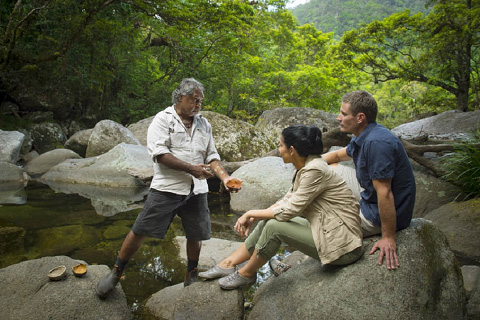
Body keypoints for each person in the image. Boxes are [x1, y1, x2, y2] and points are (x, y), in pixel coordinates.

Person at [96, 78, 240, 299]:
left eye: (201, 101)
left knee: (195, 234)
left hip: (197, 189)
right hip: (167, 187)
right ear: (180, 98)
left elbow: (212, 155)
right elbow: (160, 154)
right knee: (140, 229)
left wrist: (225, 178)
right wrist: (191, 169)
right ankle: (116, 272)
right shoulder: (162, 121)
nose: (199, 104)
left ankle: (190, 274)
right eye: (195, 100)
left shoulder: (204, 124)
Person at [198, 124, 364, 290]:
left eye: (281, 145)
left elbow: (289, 210)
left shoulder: (315, 170)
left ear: (292, 150)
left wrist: (250, 212)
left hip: (342, 247)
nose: (278, 149)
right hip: (327, 229)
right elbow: (288, 199)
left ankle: (247, 274)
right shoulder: (305, 167)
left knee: (274, 227)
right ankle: (228, 263)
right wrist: (257, 216)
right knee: (265, 223)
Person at [322, 90, 416, 270]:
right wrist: (307, 163)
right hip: (370, 194)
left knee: (325, 223)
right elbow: (336, 156)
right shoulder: (364, 136)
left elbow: (385, 193)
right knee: (326, 169)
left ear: (360, 118)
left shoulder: (376, 143)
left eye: (343, 113)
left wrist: (388, 238)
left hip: (379, 212)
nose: (338, 117)